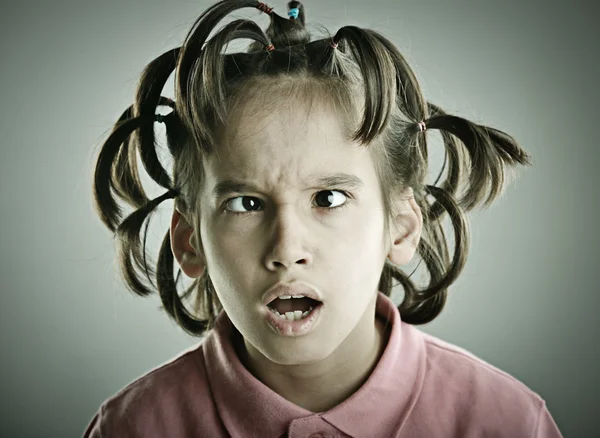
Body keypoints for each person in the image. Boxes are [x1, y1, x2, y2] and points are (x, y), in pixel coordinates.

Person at [83, 1, 563, 436]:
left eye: (329, 198)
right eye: (246, 204)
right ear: (190, 241)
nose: (287, 249)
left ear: (400, 227)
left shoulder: (506, 421)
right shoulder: (133, 428)